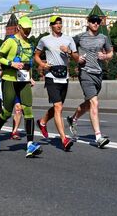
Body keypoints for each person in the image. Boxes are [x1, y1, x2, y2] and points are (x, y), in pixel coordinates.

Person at [0, 16, 42, 158]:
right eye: (25, 30)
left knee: (28, 110)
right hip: (9, 79)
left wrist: (30, 76)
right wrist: (11, 63)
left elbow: (28, 63)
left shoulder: (29, 44)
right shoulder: (10, 41)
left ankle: (30, 144)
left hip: (24, 80)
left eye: (29, 30)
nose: (27, 32)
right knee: (7, 112)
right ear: (19, 27)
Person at [67, 14, 113, 148]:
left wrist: (104, 56)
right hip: (85, 73)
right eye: (93, 21)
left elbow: (111, 53)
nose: (96, 23)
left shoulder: (104, 38)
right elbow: (68, 48)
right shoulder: (80, 37)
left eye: (98, 21)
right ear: (88, 23)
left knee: (88, 104)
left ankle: (73, 119)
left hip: (98, 74)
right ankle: (98, 137)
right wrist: (77, 57)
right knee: (94, 102)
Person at [34, 15, 78, 151]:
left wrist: (69, 51)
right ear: (51, 25)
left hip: (64, 76)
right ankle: (64, 139)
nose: (59, 25)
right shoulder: (44, 40)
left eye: (60, 23)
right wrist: (42, 64)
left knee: (57, 107)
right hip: (51, 75)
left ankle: (42, 122)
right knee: (58, 107)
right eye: (56, 24)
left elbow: (77, 58)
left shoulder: (69, 39)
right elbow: (36, 55)